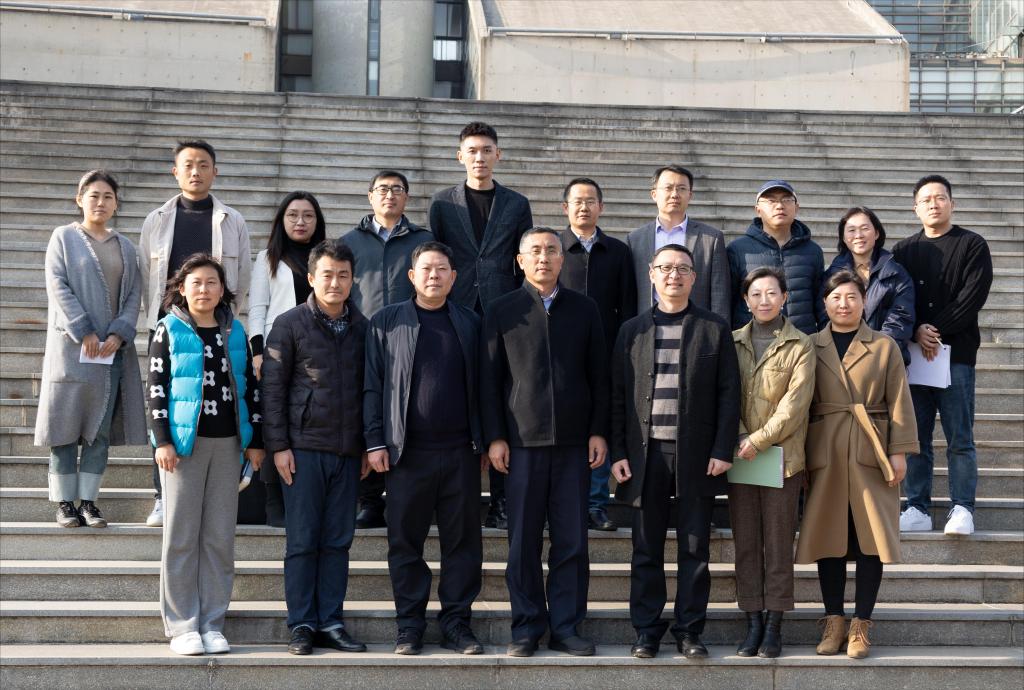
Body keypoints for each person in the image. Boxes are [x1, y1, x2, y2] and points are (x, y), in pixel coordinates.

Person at [480, 227, 608, 657]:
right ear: (520, 260)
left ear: (562, 258)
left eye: (551, 250)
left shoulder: (585, 309)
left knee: (572, 540)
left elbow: (599, 376)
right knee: (523, 542)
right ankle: (527, 627)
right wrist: (495, 437)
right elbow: (489, 381)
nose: (544, 258)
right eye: (534, 251)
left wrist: (597, 430)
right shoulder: (502, 310)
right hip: (521, 445)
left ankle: (567, 627)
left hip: (574, 445)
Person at [610, 244, 740, 660]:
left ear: (694, 277)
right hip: (645, 455)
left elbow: (729, 394)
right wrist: (618, 452)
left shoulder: (714, 328)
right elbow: (617, 396)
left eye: (683, 269)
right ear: (651, 274)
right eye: (665, 268)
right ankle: (646, 631)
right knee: (645, 547)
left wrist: (722, 448)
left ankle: (689, 631)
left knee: (695, 548)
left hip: (697, 455)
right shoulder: (632, 330)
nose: (674, 275)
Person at [364, 241, 485, 656]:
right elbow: (373, 386)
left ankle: (457, 623)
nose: (434, 276)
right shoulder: (386, 322)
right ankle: (409, 625)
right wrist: (375, 441)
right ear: (412, 277)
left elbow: (484, 387)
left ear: (454, 277)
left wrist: (486, 439)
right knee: (404, 542)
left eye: (442, 269)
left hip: (461, 452)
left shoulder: (470, 322)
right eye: (427, 269)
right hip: (406, 454)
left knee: (463, 544)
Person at [795, 270, 918, 660]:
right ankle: (834, 621)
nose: (843, 304)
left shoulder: (883, 346)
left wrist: (899, 450)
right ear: (824, 303)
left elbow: (899, 399)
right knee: (828, 538)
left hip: (871, 449)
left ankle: (861, 625)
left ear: (865, 301)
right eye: (835, 297)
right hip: (826, 449)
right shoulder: (809, 345)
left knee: (871, 539)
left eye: (851, 297)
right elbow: (798, 404)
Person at [148, 254, 264, 656]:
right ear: (182, 288)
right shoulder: (168, 328)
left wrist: (255, 440)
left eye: (211, 282)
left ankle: (213, 623)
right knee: (181, 537)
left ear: (222, 289)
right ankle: (183, 625)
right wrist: (162, 440)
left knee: (219, 538)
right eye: (196, 282)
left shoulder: (235, 331)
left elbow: (250, 388)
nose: (204, 289)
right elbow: (156, 387)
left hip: (229, 444)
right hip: (183, 448)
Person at [261, 239, 370, 656]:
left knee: (338, 541)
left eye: (343, 275)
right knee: (303, 540)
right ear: (310, 278)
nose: (335, 283)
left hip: (348, 452)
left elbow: (370, 391)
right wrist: (279, 446)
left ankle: (332, 621)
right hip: (303, 449)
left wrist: (367, 445)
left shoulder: (364, 328)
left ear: (353, 280)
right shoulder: (289, 324)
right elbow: (273, 390)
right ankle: (302, 623)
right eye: (327, 275)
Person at [139, 139, 252, 527]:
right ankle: (162, 494)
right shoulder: (156, 219)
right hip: (171, 327)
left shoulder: (232, 220)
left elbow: (242, 276)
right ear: (175, 172)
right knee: (167, 403)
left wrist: (223, 318)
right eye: (187, 165)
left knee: (212, 407)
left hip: (217, 326)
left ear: (214, 171)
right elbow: (146, 274)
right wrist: (161, 320)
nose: (195, 171)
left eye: (203, 165)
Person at [429, 121, 533, 530]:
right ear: (460, 156)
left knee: (504, 399)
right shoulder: (443, 204)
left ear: (498, 155)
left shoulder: (517, 204)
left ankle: (503, 501)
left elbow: (524, 260)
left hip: (504, 312)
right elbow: (437, 256)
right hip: (455, 310)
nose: (479, 157)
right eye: (472, 150)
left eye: (486, 150)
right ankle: (456, 497)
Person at [35, 170, 147, 528]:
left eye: (107, 196)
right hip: (71, 351)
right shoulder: (64, 237)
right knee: (65, 427)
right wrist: (83, 330)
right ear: (79, 199)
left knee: (99, 431)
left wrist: (119, 333)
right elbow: (57, 285)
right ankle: (64, 503)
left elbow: (133, 295)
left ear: (116, 204)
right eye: (93, 195)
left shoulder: (126, 247)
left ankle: (88, 503)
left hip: (109, 354)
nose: (100, 202)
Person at [894, 175, 993, 536]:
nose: (933, 204)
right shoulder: (904, 250)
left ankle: (962, 507)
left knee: (960, 438)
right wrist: (915, 330)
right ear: (915, 208)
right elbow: (897, 297)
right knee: (916, 437)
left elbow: (973, 295)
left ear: (952, 203)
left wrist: (933, 329)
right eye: (926, 199)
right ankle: (917, 506)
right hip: (915, 357)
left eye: (940, 197)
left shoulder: (972, 244)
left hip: (957, 356)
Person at [729, 266, 815, 658]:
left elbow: (795, 406)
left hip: (782, 459)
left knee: (779, 543)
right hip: (740, 457)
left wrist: (758, 440)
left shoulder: (801, 344)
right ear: (746, 300)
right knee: (747, 542)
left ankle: (775, 623)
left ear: (784, 298)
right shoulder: (733, 342)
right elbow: (725, 395)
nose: (764, 300)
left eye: (771, 293)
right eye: (756, 294)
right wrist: (740, 436)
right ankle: (753, 622)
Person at [343, 170, 433, 530]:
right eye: (382, 189)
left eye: (397, 189)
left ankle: (409, 496)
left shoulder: (424, 240)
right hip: (363, 337)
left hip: (413, 337)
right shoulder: (349, 241)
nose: (390, 195)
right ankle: (369, 499)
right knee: (367, 413)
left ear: (406, 198)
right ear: (370, 196)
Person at [558, 177, 636, 531]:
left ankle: (595, 504)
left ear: (601, 207)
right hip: (561, 354)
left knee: (600, 424)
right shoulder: (553, 247)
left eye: (590, 201)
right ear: (565, 208)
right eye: (577, 201)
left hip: (605, 352)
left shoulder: (618, 251)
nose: (584, 207)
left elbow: (628, 306)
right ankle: (562, 503)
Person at [249, 191, 326, 527]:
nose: (300, 221)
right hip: (279, 351)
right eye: (293, 215)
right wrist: (257, 352)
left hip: (319, 354)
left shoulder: (326, 257)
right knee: (275, 422)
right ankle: (274, 501)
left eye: (308, 215)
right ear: (281, 220)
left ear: (317, 221)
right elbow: (257, 308)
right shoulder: (268, 257)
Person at [627, 165, 729, 320]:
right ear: (654, 194)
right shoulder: (635, 239)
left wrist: (718, 330)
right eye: (668, 188)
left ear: (690, 195)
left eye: (681, 189)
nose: (674, 194)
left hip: (697, 324)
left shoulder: (711, 239)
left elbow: (719, 293)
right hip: (648, 325)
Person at [727, 180, 826, 334]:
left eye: (786, 200)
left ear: (796, 208)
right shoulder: (738, 250)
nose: (779, 206)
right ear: (758, 210)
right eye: (771, 201)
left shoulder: (812, 251)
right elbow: (729, 300)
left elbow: (821, 303)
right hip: (752, 341)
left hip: (801, 341)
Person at [823, 207, 915, 364]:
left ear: (877, 233)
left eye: (865, 228)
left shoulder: (896, 274)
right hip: (841, 358)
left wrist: (876, 354)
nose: (858, 235)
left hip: (883, 360)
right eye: (851, 230)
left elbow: (900, 319)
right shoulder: (832, 275)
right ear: (843, 238)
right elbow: (824, 315)